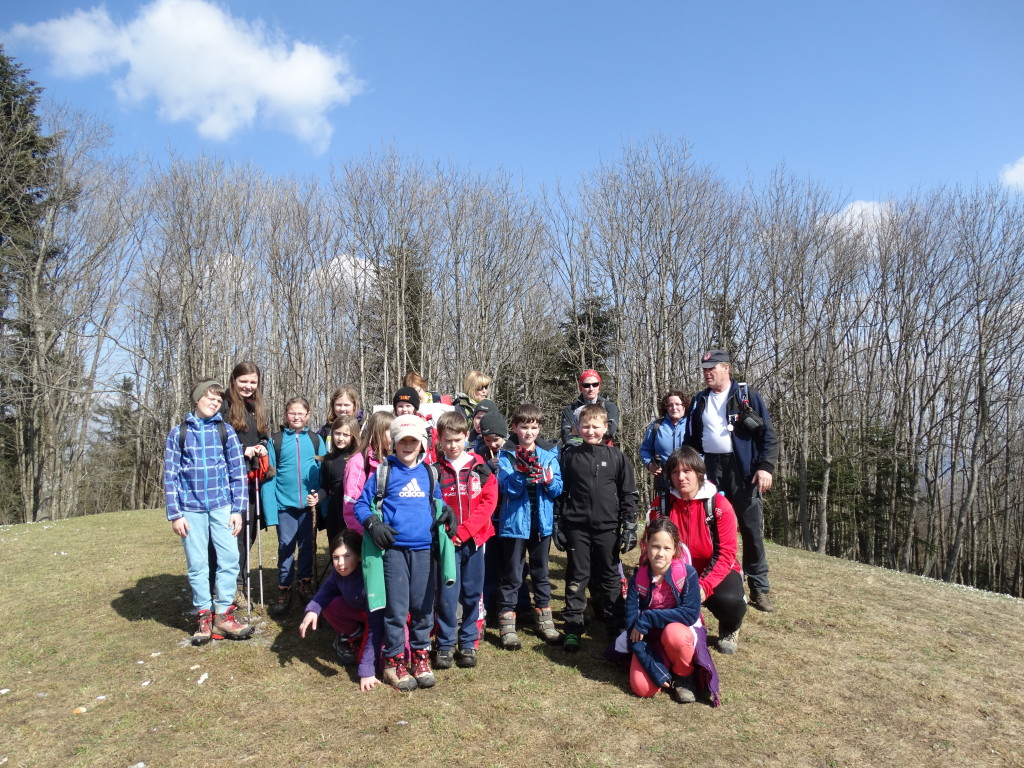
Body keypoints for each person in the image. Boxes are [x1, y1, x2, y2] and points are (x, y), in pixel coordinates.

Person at [354, 415, 455, 691]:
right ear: (394, 443)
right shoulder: (383, 472)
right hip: (394, 553)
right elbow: (361, 505)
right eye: (403, 441)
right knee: (397, 611)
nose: (408, 446)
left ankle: (420, 658)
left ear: (422, 443)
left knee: (423, 608)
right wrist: (373, 524)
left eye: (413, 441)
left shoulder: (429, 473)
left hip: (424, 551)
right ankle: (394, 662)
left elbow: (437, 501)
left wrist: (448, 511)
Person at [684, 350, 779, 613]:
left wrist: (765, 467)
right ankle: (710, 581)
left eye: (712, 368)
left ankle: (759, 587)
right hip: (710, 468)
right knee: (709, 526)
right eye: (704, 369)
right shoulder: (699, 400)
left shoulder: (746, 396)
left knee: (750, 528)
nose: (707, 373)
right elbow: (691, 439)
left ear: (726, 368)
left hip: (742, 471)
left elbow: (768, 435)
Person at [164, 378, 254, 644]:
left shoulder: (225, 431)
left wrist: (237, 510)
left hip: (222, 507)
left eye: (218, 400)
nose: (214, 403)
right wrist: (175, 514)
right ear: (197, 399)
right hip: (190, 510)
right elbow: (170, 476)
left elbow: (238, 473)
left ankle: (223, 614)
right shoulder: (178, 434)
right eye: (209, 398)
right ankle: (204, 616)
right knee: (197, 564)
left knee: (229, 559)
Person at [554, 403, 638, 653]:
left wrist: (629, 525)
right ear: (577, 428)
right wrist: (558, 522)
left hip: (608, 527)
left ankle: (617, 627)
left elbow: (628, 493)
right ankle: (573, 626)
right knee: (577, 575)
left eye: (595, 426)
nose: (590, 431)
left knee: (610, 576)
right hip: (577, 527)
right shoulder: (570, 456)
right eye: (585, 426)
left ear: (606, 427)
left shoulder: (617, 457)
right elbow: (561, 492)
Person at [653, 447, 747, 655]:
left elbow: (726, 553)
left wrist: (703, 586)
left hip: (715, 570)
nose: (681, 477)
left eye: (687, 471)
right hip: (675, 570)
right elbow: (651, 546)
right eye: (675, 472)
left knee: (729, 600)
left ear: (699, 473)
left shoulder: (719, 505)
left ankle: (730, 626)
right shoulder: (662, 504)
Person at [626, 517, 718, 704]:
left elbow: (690, 614)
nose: (660, 553)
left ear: (675, 549)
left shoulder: (688, 574)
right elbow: (631, 629)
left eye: (667, 548)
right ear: (646, 545)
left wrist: (649, 617)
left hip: (678, 633)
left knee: (674, 633)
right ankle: (664, 669)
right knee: (642, 688)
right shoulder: (637, 579)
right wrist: (655, 670)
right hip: (649, 638)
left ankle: (684, 676)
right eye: (655, 546)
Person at [432, 410, 498, 669]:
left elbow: (489, 502)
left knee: (472, 592)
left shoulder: (479, 467)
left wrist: (465, 532)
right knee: (447, 593)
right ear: (439, 440)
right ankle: (445, 642)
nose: (452, 445)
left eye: (457, 440)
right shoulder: (435, 470)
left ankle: (469, 641)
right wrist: (449, 534)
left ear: (466, 436)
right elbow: (432, 506)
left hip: (475, 540)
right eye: (447, 440)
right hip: (447, 543)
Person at [496, 403, 563, 649]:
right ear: (515, 428)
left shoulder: (549, 454)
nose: (529, 432)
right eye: (524, 427)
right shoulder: (506, 455)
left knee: (541, 573)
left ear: (539, 428)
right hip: (515, 525)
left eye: (534, 427)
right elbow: (507, 489)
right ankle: (507, 623)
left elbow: (558, 489)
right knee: (513, 574)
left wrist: (548, 480)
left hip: (541, 524)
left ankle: (544, 619)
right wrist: (520, 474)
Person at [262, 396, 326, 616]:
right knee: (286, 546)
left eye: (301, 413)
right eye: (292, 413)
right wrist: (271, 513)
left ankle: (304, 582)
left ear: (308, 415)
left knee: (308, 546)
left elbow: (323, 474)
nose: (296, 417)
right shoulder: (276, 441)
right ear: (285, 415)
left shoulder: (316, 440)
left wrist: (322, 504)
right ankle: (284, 587)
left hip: (309, 507)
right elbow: (269, 477)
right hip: (285, 506)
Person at [298, 530, 384, 691]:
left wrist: (367, 670)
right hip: (361, 615)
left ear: (359, 556)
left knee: (380, 663)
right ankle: (355, 635)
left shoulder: (369, 578)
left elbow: (376, 626)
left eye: (347, 556)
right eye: (336, 557)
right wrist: (313, 610)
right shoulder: (338, 573)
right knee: (330, 605)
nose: (340, 563)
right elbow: (326, 591)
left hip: (379, 619)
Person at [219, 361, 270, 609]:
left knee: (249, 533)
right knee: (234, 535)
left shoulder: (255, 406)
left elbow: (262, 434)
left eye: (253, 382)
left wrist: (262, 445)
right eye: (244, 381)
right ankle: (231, 587)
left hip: (251, 480)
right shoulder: (224, 404)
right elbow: (217, 440)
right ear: (234, 380)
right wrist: (242, 450)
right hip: (229, 482)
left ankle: (237, 582)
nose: (248, 386)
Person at [639, 390, 690, 519]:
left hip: (689, 479)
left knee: (687, 515)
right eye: (670, 405)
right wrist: (650, 465)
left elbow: (703, 450)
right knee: (665, 516)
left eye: (677, 404)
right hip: (664, 480)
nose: (674, 408)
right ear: (665, 407)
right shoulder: (656, 426)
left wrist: (697, 468)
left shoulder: (693, 424)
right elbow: (645, 450)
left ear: (684, 405)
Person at [342, 411, 394, 532]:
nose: (395, 436)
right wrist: (364, 534)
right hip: (369, 532)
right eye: (391, 431)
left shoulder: (393, 460)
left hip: (390, 532)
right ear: (378, 432)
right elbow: (351, 504)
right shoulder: (358, 462)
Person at [318, 415, 360, 542]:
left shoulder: (359, 458)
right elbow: (325, 488)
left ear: (353, 436)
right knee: (336, 547)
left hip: (354, 513)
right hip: (334, 514)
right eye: (337, 433)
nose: (340, 438)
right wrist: (317, 497)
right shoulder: (328, 460)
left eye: (346, 435)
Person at [559, 370, 620, 447]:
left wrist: (583, 437)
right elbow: (566, 435)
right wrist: (585, 442)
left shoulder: (610, 407)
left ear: (599, 387)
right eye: (586, 385)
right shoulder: (570, 410)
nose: (591, 388)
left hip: (604, 449)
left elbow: (610, 432)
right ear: (581, 387)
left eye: (595, 384)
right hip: (577, 450)